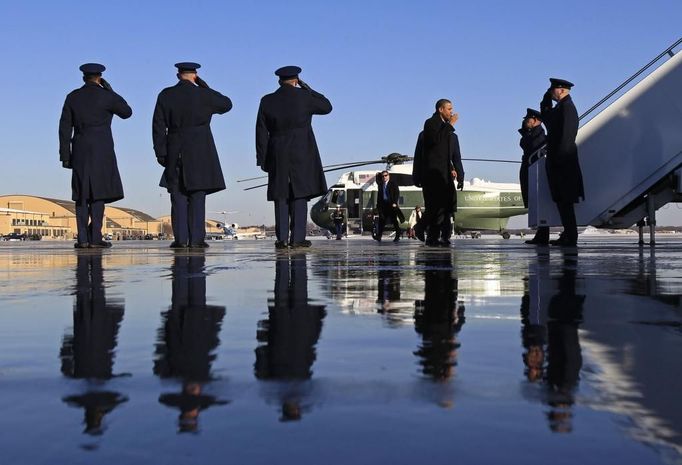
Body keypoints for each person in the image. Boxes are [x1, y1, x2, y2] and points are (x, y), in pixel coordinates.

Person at [153, 62, 232, 249]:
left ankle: (180, 239)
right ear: (195, 75)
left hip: (175, 147)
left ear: (178, 75)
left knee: (178, 195)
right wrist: (205, 87)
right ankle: (197, 239)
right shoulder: (204, 95)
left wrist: (160, 152)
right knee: (198, 195)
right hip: (200, 149)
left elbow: (157, 125)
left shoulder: (166, 95)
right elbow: (226, 104)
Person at [256, 66, 332, 249]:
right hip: (302, 152)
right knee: (300, 195)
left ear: (279, 81)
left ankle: (281, 238)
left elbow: (260, 131)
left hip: (277, 152)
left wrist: (263, 158)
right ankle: (297, 238)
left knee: (281, 196)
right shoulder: (305, 97)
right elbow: (327, 106)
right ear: (296, 80)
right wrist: (308, 89)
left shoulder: (267, 100)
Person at [59, 63, 132, 249]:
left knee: (82, 194)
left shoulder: (73, 97)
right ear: (100, 77)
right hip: (102, 148)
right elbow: (127, 112)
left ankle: (82, 239)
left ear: (84, 77)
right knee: (98, 194)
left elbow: (65, 128)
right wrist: (111, 91)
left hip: (81, 147)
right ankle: (95, 237)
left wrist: (65, 155)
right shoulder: (107, 96)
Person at [413, 99, 465, 246]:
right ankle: (424, 230)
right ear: (440, 109)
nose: (452, 112)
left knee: (446, 208)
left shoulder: (452, 136)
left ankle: (442, 236)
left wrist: (460, 176)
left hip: (445, 177)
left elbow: (456, 157)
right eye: (449, 109)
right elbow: (434, 141)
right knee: (434, 207)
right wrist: (416, 175)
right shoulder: (430, 125)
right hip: (431, 175)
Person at [540, 78, 584, 247]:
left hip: (563, 162)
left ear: (561, 90)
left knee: (566, 201)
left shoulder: (567, 108)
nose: (551, 92)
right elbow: (547, 118)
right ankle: (569, 234)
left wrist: (560, 159)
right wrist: (545, 99)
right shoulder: (560, 108)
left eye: (552, 90)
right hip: (558, 161)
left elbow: (567, 137)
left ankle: (571, 236)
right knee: (561, 200)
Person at [519, 108, 550, 245]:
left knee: (539, 203)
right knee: (535, 204)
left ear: (536, 120)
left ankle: (543, 234)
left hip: (534, 172)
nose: (525, 121)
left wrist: (526, 132)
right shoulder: (532, 133)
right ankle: (541, 233)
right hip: (529, 170)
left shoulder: (539, 135)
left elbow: (528, 145)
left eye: (528, 119)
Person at [374, 170, 405, 242]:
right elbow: (379, 196)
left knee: (394, 221)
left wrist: (394, 202)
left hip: (391, 205)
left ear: (388, 176)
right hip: (383, 205)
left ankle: (397, 235)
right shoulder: (381, 185)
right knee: (381, 220)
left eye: (385, 175)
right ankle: (379, 236)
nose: (384, 177)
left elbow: (397, 193)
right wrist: (378, 206)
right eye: (383, 176)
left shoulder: (393, 183)